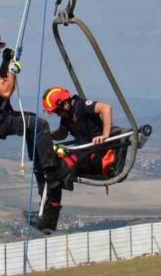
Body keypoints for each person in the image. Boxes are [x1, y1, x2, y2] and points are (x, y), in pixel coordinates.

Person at [0, 32, 75, 216]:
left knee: (34, 124)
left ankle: (42, 169)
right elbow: (6, 90)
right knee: (39, 125)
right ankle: (51, 170)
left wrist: (6, 64)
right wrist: (12, 70)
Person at [33, 86, 118, 233]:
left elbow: (106, 108)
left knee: (56, 172)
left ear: (64, 103)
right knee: (49, 167)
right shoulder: (66, 115)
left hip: (96, 153)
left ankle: (48, 219)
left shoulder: (81, 106)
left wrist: (105, 135)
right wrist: (48, 135)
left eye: (57, 111)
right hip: (83, 152)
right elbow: (62, 133)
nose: (58, 114)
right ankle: (47, 216)